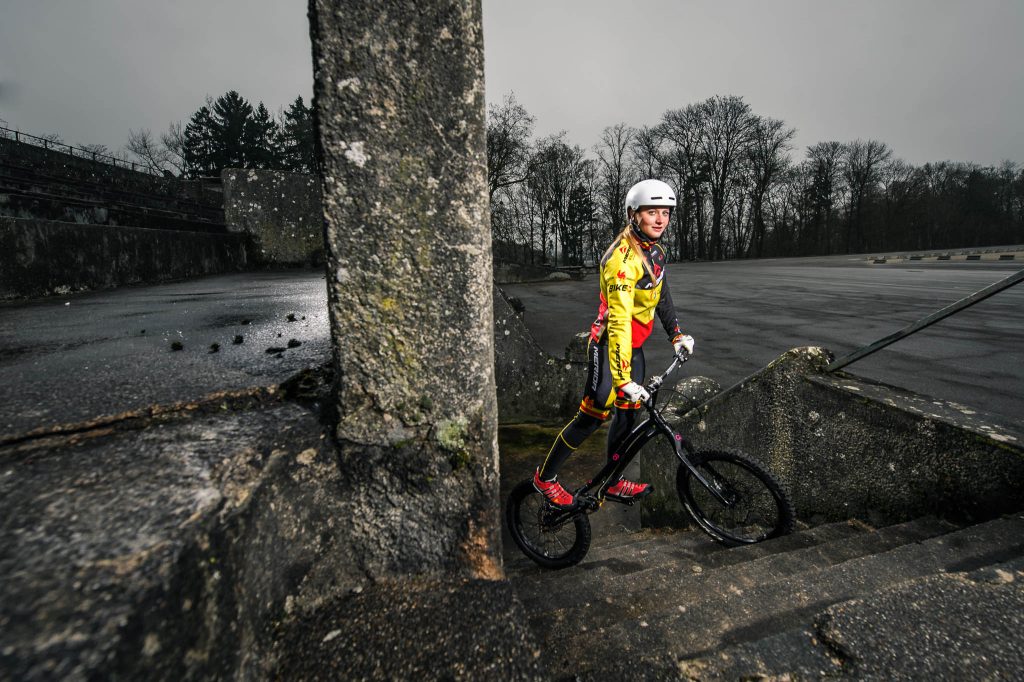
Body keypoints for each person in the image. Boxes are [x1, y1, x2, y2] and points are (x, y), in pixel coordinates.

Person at [533, 179, 694, 508]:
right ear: (634, 214)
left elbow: (661, 295)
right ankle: (544, 478)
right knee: (592, 417)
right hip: (608, 347)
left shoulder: (656, 251)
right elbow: (619, 323)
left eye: (665, 212)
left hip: (632, 348)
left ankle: (613, 482)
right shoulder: (621, 260)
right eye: (652, 212)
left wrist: (676, 334)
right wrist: (623, 380)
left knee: (629, 414)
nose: (661, 219)